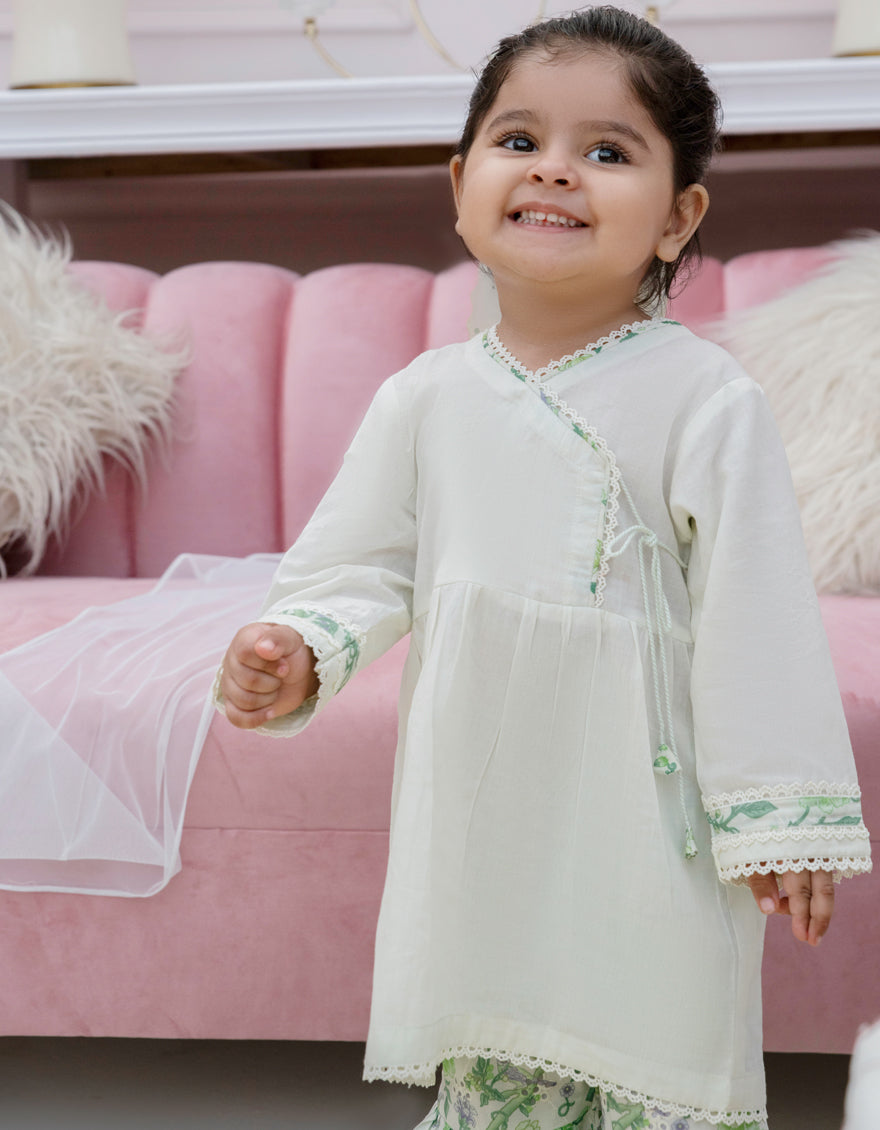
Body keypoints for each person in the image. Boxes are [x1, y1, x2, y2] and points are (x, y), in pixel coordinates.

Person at [216, 8, 871, 1129]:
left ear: (677, 218)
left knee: (656, 1019)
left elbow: (756, 617)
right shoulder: (424, 397)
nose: (555, 169)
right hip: (487, 792)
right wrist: (303, 647)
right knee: (499, 1015)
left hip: (647, 806)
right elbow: (360, 565)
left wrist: (779, 818)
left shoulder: (707, 398)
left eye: (607, 150)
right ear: (461, 183)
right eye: (519, 141)